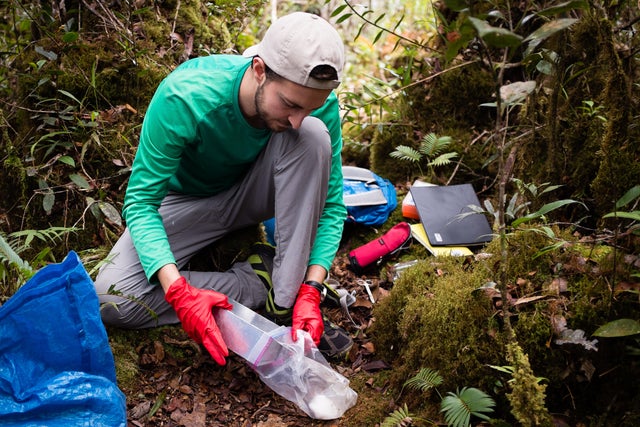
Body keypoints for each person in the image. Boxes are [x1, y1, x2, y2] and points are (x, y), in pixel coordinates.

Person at [94, 12, 352, 365]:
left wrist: (312, 287)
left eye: (312, 107)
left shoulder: (312, 110)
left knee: (313, 137)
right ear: (259, 69)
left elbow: (332, 206)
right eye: (290, 104)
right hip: (186, 202)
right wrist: (180, 293)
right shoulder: (186, 97)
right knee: (112, 298)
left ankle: (287, 299)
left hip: (256, 192)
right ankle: (259, 283)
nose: (296, 119)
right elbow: (140, 203)